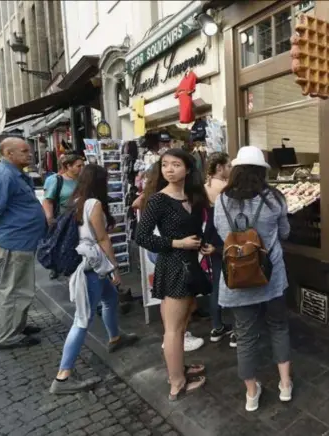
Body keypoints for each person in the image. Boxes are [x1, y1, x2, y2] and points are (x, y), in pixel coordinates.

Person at [213, 146, 292, 412]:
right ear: (262, 172)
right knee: (278, 327)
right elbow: (284, 233)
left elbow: (219, 231)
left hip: (236, 279)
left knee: (245, 337)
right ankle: (284, 384)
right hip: (272, 276)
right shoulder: (274, 199)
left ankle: (251, 393)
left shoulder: (221, 201)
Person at [50, 165, 138, 394]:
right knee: (82, 320)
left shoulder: (76, 200)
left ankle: (115, 337)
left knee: (109, 299)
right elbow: (102, 239)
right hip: (92, 267)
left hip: (87, 264)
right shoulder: (94, 204)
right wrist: (115, 269)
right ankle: (62, 376)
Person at [136, 148, 213, 400]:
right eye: (165, 165)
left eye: (176, 164)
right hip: (172, 268)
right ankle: (177, 381)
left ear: (188, 169)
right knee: (173, 328)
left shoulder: (193, 195)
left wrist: (203, 244)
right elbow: (141, 236)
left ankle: (179, 368)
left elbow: (199, 227)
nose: (169, 169)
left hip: (191, 266)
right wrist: (176, 243)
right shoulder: (159, 199)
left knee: (182, 325)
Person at [0, 136, 47, 349]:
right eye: (25, 151)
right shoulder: (2, 176)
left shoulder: (14, 174)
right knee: (15, 290)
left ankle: (18, 325)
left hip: (21, 241)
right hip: (13, 243)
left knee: (21, 288)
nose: (30, 154)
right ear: (9, 154)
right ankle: (8, 336)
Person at [204, 152, 235, 346]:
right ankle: (237, 331)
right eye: (228, 165)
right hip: (225, 237)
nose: (231, 169)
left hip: (210, 239)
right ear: (219, 168)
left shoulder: (203, 187)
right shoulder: (225, 189)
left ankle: (217, 325)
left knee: (216, 282)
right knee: (235, 279)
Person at [42, 153, 85, 279]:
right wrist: (50, 218)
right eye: (78, 166)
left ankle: (72, 267)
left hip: (77, 218)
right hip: (62, 218)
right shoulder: (56, 180)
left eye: (83, 165)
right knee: (59, 243)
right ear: (68, 166)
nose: (82, 168)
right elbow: (47, 200)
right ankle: (55, 266)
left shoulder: (82, 180)